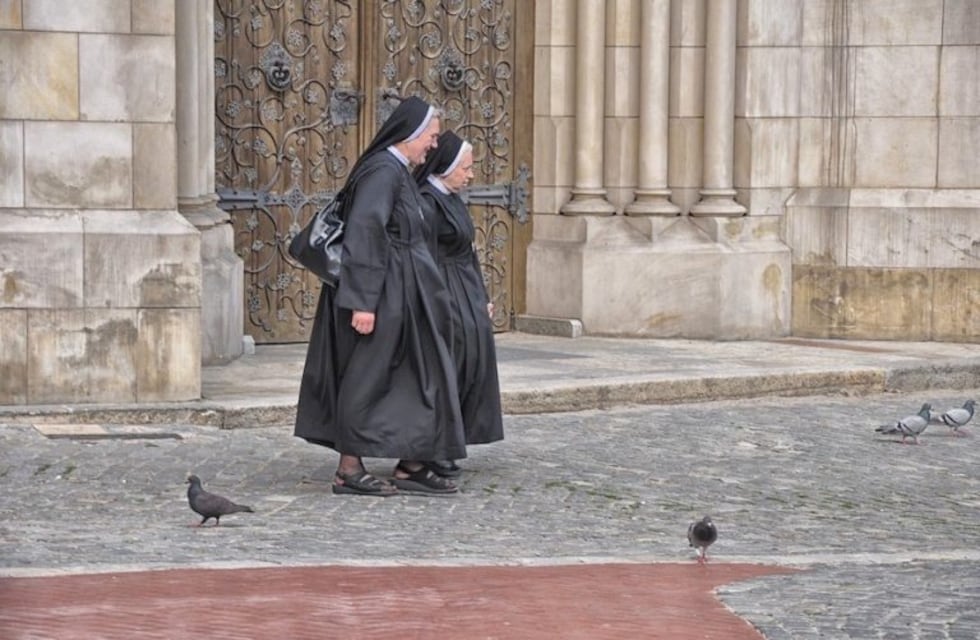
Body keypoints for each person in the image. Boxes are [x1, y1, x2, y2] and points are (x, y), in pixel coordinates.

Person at [294, 96, 466, 496]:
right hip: (382, 295)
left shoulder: (399, 171)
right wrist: (364, 303)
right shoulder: (382, 172)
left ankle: (412, 462)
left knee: (415, 377)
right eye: (432, 137)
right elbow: (365, 235)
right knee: (367, 378)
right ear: (411, 135)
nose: (434, 146)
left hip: (405, 294)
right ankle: (349, 469)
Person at [413, 131, 505, 476]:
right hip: (442, 291)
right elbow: (423, 257)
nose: (470, 174)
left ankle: (451, 440)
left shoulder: (451, 198)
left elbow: (467, 253)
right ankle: (431, 448)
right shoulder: (425, 202)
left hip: (463, 289)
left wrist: (481, 298)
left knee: (469, 364)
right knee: (445, 367)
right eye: (465, 168)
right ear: (445, 167)